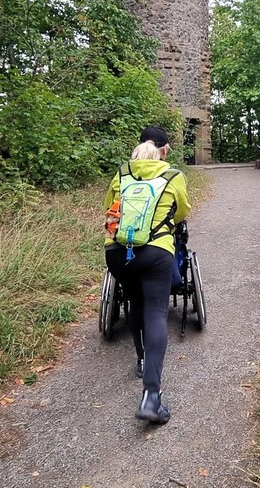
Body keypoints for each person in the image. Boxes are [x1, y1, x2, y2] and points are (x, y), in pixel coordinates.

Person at [103, 125, 191, 424]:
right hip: (155, 252)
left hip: (117, 252)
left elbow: (109, 210)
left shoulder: (122, 173)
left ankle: (141, 359)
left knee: (135, 303)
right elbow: (181, 212)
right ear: (164, 151)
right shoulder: (172, 175)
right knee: (156, 312)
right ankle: (151, 396)